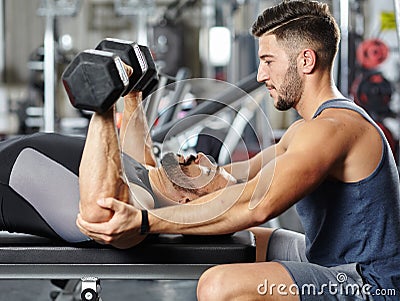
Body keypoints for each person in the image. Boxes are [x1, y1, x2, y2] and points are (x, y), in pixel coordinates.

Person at [73, 1, 398, 300]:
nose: (260, 75)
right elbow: (235, 181)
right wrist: (136, 105)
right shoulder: (305, 129)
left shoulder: (332, 130)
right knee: (240, 240)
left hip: (368, 282)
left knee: (218, 286)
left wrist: (146, 221)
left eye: (268, 62)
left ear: (306, 60)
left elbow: (258, 205)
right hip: (325, 257)